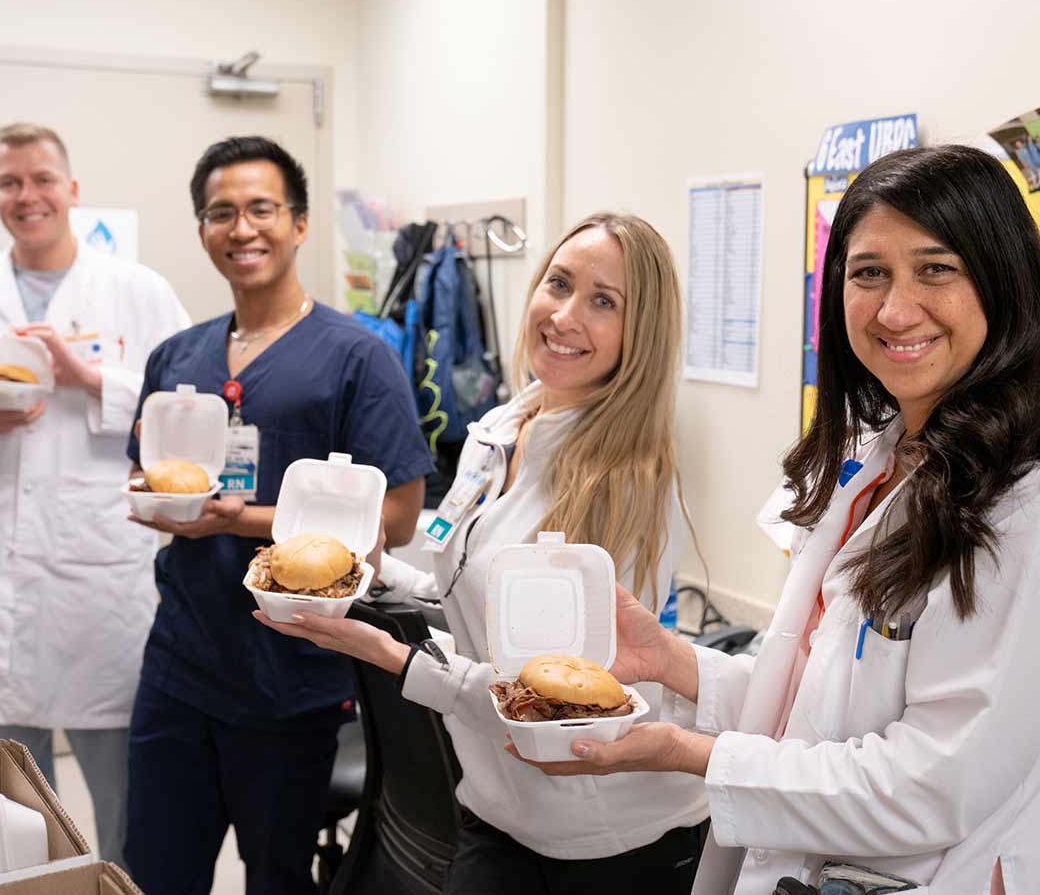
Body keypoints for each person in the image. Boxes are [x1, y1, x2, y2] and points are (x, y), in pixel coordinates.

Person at [507, 147, 1040, 895]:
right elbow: (815, 706)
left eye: (935, 268)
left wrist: (689, 752)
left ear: (1003, 282)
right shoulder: (876, 463)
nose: (894, 309)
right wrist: (670, 659)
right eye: (868, 272)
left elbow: (933, 784)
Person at [258, 213, 712, 895]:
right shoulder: (501, 431)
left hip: (611, 838)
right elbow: (479, 606)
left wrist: (393, 657)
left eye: (603, 301)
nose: (563, 315)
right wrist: (377, 575)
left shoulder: (629, 484)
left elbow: (550, 699)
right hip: (498, 810)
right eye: (558, 283)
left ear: (639, 335)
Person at [121, 136, 431, 895]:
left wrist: (241, 520)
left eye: (262, 208)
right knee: (155, 871)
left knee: (278, 879)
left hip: (292, 673)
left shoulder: (357, 358)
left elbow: (397, 516)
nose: (241, 227)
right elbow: (147, 473)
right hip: (180, 661)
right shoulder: (177, 356)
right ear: (202, 231)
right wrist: (161, 502)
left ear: (298, 224)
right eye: (220, 212)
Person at [0, 123, 190, 866]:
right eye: (10, 182)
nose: (28, 196)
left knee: (121, 796)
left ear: (73, 190)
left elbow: (186, 408)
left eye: (43, 179)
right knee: (6, 797)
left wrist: (91, 381)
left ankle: (109, 884)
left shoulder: (137, 291)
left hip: (101, 582)